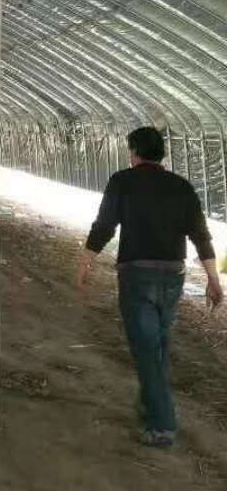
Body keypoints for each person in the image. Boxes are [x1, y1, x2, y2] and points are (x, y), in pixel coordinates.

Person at [76, 125, 222, 447]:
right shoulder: (182, 186)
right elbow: (201, 236)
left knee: (146, 351)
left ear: (134, 152)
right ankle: (148, 406)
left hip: (137, 277)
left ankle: (162, 425)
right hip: (172, 277)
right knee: (157, 346)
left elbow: (104, 225)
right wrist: (214, 280)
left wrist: (86, 260)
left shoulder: (122, 181)